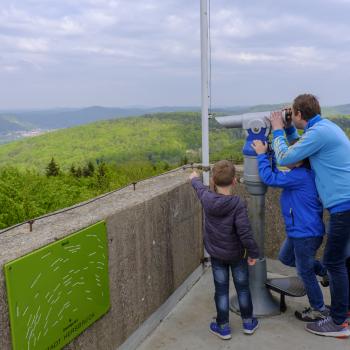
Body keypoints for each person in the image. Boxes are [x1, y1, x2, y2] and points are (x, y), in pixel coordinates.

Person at [270, 93, 350, 338]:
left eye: (291, 114)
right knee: (344, 262)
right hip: (345, 204)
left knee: (334, 263)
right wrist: (289, 129)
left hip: (344, 207)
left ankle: (338, 323)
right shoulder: (323, 129)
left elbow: (285, 157)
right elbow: (303, 150)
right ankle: (343, 313)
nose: (289, 117)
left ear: (299, 115)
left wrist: (276, 130)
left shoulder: (319, 133)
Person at [251, 140, 328, 322]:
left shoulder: (300, 176)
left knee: (305, 272)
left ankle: (319, 309)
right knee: (286, 257)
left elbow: (269, 178)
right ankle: (324, 271)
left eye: (289, 154)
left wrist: (261, 155)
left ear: (300, 160)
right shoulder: (298, 173)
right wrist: (269, 155)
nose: (284, 155)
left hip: (305, 234)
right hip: (300, 232)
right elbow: (276, 174)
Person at [190, 160, 259, 340]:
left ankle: (223, 327)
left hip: (217, 255)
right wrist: (253, 253)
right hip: (237, 255)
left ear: (213, 180)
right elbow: (245, 232)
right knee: (243, 289)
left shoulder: (207, 198)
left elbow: (199, 188)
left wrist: (194, 179)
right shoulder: (237, 203)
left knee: (221, 291)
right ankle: (248, 323)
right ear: (234, 181)